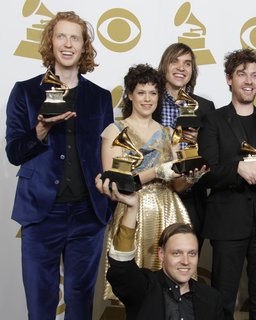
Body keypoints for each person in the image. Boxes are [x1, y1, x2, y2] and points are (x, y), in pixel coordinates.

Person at [5, 11, 114, 319]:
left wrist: (106, 207)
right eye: (61, 36)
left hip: (87, 215)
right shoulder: (25, 92)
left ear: (84, 47)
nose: (68, 44)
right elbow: (14, 152)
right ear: (50, 43)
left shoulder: (100, 97)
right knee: (40, 303)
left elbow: (107, 155)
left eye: (75, 38)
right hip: (41, 214)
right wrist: (41, 128)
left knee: (80, 304)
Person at [198, 48, 256, 319]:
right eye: (242, 74)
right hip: (227, 221)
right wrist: (237, 169)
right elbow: (205, 172)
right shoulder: (213, 120)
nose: (249, 81)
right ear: (229, 79)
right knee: (223, 300)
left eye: (254, 75)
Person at [101, 63, 206, 300]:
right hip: (132, 211)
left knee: (173, 286)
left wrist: (191, 178)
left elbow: (177, 186)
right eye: (141, 92)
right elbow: (115, 184)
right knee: (133, 284)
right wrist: (157, 171)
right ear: (129, 95)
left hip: (169, 212)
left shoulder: (170, 133)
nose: (147, 99)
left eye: (153, 92)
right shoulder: (114, 131)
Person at [95, 177, 224, 320]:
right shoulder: (144, 288)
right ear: (161, 254)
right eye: (177, 253)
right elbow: (122, 268)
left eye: (192, 253)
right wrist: (132, 209)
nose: (186, 261)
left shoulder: (211, 299)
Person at [155, 43, 216, 247]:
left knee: (186, 264)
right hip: (154, 192)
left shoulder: (205, 107)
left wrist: (198, 143)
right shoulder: (148, 99)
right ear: (164, 66)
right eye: (175, 61)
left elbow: (211, 156)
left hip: (191, 197)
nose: (181, 68)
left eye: (187, 64)